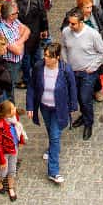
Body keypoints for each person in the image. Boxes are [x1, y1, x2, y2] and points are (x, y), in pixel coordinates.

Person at [31, 40, 77, 185]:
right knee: (51, 132)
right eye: (45, 55)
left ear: (57, 57)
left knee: (55, 136)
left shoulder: (65, 69)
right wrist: (30, 106)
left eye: (49, 56)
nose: (46, 59)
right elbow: (32, 87)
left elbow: (72, 88)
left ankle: (53, 171)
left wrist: (72, 106)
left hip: (59, 108)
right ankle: (51, 149)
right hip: (45, 107)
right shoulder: (39, 67)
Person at [60, 7, 103, 140]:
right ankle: (84, 115)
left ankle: (88, 123)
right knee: (79, 97)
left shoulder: (92, 34)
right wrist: (66, 63)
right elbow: (63, 47)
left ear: (81, 22)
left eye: (73, 23)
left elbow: (102, 52)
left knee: (85, 98)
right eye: (69, 23)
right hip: (73, 71)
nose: (70, 26)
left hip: (88, 73)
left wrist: (93, 66)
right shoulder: (66, 31)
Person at [10, 0, 48, 110]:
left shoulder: (18, 6)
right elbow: (43, 14)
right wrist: (44, 29)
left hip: (24, 36)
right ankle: (39, 77)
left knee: (25, 58)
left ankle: (27, 80)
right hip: (36, 32)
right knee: (36, 56)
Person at [0, 0, 30, 95]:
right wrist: (21, 37)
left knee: (11, 86)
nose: (18, 13)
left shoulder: (14, 21)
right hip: (9, 65)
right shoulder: (1, 29)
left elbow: (27, 30)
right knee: (9, 88)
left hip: (16, 62)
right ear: (10, 15)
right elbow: (17, 51)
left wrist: (19, 41)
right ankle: (9, 107)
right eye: (16, 12)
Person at [0, 99, 25, 200]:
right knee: (3, 170)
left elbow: (20, 130)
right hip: (5, 152)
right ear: (7, 114)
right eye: (12, 108)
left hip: (13, 149)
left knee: (12, 169)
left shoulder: (15, 119)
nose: (15, 109)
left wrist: (21, 141)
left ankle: (11, 187)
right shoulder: (0, 126)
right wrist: (2, 160)